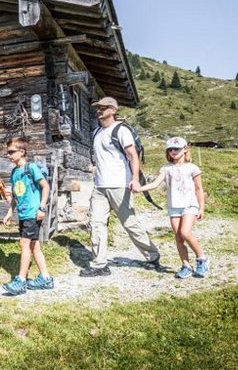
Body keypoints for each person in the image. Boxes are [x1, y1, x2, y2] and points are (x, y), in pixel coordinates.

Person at [82, 96, 161, 277]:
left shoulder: (121, 130)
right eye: (98, 108)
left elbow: (133, 156)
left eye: (103, 108)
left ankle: (153, 256)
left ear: (113, 110)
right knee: (96, 223)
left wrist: (134, 179)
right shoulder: (96, 133)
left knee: (129, 223)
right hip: (100, 186)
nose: (99, 111)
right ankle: (100, 264)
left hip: (119, 185)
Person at [138, 137, 209, 278]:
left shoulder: (193, 168)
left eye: (176, 149)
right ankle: (186, 265)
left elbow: (199, 189)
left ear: (185, 149)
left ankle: (202, 259)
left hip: (190, 205)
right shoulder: (166, 168)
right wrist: (139, 188)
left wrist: (201, 208)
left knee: (185, 233)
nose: (173, 151)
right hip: (174, 206)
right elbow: (155, 184)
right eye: (170, 149)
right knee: (178, 237)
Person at [1, 137, 54, 295]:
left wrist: (42, 208)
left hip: (33, 213)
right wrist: (10, 212)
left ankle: (21, 280)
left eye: (11, 152)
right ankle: (46, 278)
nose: (8, 155)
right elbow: (16, 195)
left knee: (24, 243)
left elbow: (45, 187)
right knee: (33, 245)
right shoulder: (14, 172)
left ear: (22, 152)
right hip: (23, 214)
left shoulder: (31, 168)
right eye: (8, 152)